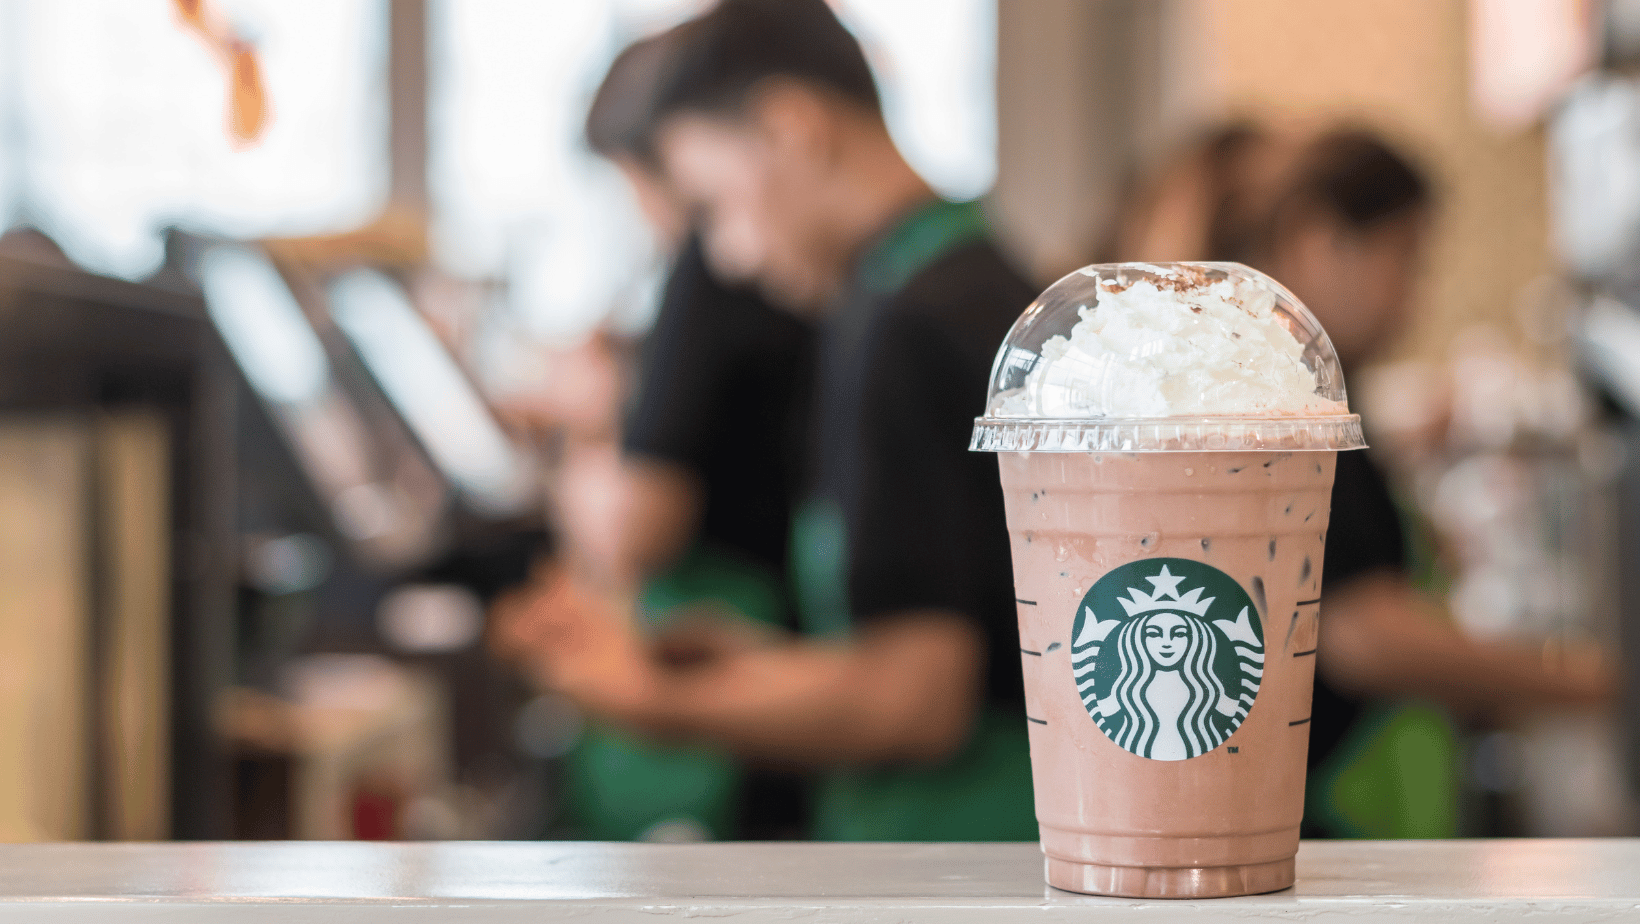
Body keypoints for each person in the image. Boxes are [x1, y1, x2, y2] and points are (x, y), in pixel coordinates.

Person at [496, 0, 1038, 840]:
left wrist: (648, 698)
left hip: (957, 849)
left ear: (792, 128)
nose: (728, 259)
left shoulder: (913, 318)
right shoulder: (939, 277)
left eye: (713, 206)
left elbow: (919, 701)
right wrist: (752, 662)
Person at [1238, 130, 1616, 837]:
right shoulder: (1287, 405)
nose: (1416, 296)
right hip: (1310, 808)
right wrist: (1593, 683)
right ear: (1322, 240)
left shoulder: (1317, 396)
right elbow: (1357, 631)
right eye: (1407, 258)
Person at [495, 30, 816, 842]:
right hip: (780, 634)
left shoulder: (707, 272)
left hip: (749, 654)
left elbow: (636, 527)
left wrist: (592, 424)